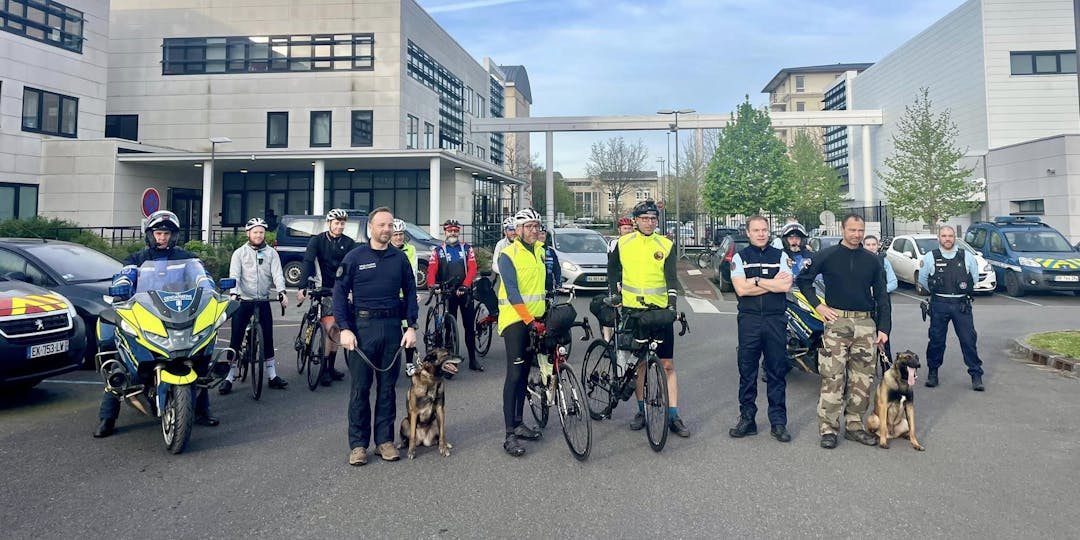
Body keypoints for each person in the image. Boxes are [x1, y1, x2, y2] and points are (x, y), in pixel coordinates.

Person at [93, 210, 218, 438]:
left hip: (179, 314)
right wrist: (121, 286)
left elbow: (201, 277)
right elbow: (125, 275)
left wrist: (210, 289)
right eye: (159, 233)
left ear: (174, 236)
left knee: (197, 358)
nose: (163, 238)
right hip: (148, 314)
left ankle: (201, 409)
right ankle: (107, 417)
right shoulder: (137, 259)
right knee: (118, 359)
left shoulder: (186, 258)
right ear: (150, 234)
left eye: (167, 233)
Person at [795, 214, 891, 450]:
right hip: (837, 323)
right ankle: (828, 428)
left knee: (862, 379)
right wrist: (818, 306)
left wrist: (884, 328)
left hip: (865, 324)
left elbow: (881, 295)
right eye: (852, 230)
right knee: (833, 377)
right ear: (843, 229)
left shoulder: (873, 260)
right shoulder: (826, 256)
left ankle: (854, 425)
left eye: (860, 230)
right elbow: (804, 280)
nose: (857, 234)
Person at [335, 207, 419, 466]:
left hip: (392, 328)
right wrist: (344, 328)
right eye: (382, 225)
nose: (387, 229)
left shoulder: (400, 259)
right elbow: (339, 294)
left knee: (387, 389)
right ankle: (359, 445)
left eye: (390, 225)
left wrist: (411, 327)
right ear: (370, 227)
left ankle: (385, 441)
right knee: (360, 390)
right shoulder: (354, 257)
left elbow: (411, 292)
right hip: (362, 330)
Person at [608, 200, 689, 438]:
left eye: (653, 219)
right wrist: (614, 295)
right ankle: (642, 411)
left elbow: (671, 279)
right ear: (636, 220)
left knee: (668, 364)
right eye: (645, 218)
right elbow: (612, 271)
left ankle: (673, 415)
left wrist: (672, 305)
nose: (650, 222)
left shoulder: (665, 244)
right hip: (633, 311)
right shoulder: (622, 243)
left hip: (660, 312)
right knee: (640, 365)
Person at [729, 216, 794, 442]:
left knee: (777, 371)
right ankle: (747, 419)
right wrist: (767, 282)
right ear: (748, 233)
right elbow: (741, 289)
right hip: (749, 320)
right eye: (756, 230)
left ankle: (778, 422)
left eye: (764, 230)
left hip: (775, 319)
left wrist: (754, 281)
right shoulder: (740, 257)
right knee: (747, 371)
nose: (761, 234)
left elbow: (785, 285)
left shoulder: (781, 256)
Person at [496, 208, 547, 456]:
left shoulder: (540, 251)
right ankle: (509, 434)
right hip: (516, 321)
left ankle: (519, 423)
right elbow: (513, 292)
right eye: (528, 226)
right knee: (514, 375)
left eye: (536, 225)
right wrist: (529, 320)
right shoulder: (507, 255)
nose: (534, 230)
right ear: (517, 230)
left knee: (526, 373)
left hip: (535, 320)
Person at [220, 217, 289, 394]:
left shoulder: (271, 253)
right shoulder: (239, 253)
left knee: (268, 336)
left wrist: (282, 292)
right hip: (243, 299)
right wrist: (234, 294)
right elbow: (234, 275)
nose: (258, 235)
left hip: (263, 299)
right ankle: (229, 377)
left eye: (261, 232)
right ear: (248, 233)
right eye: (255, 232)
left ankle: (272, 376)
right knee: (235, 337)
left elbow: (278, 274)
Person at [917, 225, 984, 391]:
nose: (947, 239)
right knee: (936, 341)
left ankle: (976, 375)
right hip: (939, 304)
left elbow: (974, 278)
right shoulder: (930, 257)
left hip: (961, 304)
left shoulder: (966, 257)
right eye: (944, 236)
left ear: (955, 238)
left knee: (968, 340)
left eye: (950, 236)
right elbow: (924, 279)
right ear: (939, 238)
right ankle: (933, 372)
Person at [297, 209, 356, 386]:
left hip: (338, 289)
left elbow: (351, 267)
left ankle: (329, 366)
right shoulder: (317, 240)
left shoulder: (349, 243)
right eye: (336, 223)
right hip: (320, 287)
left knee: (336, 328)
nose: (339, 226)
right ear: (329, 223)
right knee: (330, 325)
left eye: (342, 223)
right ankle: (322, 368)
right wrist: (302, 287)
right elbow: (308, 261)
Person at [426, 219, 483, 372]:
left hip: (465, 292)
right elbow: (431, 270)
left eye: (455, 230)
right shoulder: (438, 250)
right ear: (445, 232)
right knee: (448, 328)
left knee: (469, 327)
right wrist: (432, 285)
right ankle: (448, 360)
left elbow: (472, 268)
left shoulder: (466, 248)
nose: (453, 233)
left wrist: (465, 285)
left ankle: (472, 359)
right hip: (447, 291)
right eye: (450, 230)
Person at [863, 235, 898, 365]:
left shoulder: (884, 262)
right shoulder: (858, 261)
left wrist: (879, 291)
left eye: (873, 244)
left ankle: (887, 371)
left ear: (878, 245)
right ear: (863, 245)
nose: (871, 247)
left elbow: (893, 283)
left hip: (882, 306)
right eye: (868, 244)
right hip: (864, 307)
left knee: (883, 340)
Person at [537, 225, 563, 296]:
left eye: (542, 234)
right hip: (536, 286)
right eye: (538, 234)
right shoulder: (532, 250)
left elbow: (557, 269)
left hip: (549, 286)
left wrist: (559, 284)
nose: (541, 236)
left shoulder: (551, 251)